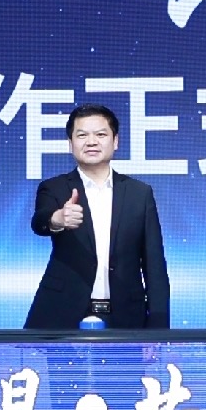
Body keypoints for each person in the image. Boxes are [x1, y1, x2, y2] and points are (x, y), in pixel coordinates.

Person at [27, 100, 169, 329]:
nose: (91, 142)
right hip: (62, 312)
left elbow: (154, 264)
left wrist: (159, 325)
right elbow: (40, 221)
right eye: (82, 135)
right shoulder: (54, 188)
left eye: (101, 134)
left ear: (115, 141)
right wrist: (58, 219)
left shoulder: (139, 193)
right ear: (70, 144)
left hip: (126, 316)